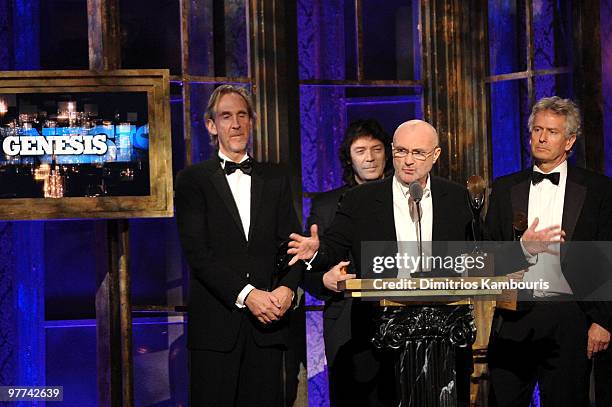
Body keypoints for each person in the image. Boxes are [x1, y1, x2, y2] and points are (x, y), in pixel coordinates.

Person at [289, 119, 474, 406]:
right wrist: (316, 251)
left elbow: (478, 253)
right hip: (378, 340)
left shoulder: (456, 197)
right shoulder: (359, 199)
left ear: (436, 155)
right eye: (401, 151)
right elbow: (335, 245)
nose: (408, 161)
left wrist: (520, 249)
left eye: (418, 153)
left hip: (443, 340)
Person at [175, 84, 303, 406]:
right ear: (211, 125)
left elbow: (291, 245)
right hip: (216, 332)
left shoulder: (275, 178)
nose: (235, 124)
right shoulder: (193, 180)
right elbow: (198, 255)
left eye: (242, 115)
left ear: (252, 122)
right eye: (226, 116)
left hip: (267, 329)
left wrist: (287, 289)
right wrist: (248, 295)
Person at [484, 96, 612, 407]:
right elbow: (487, 255)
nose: (542, 138)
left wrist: (604, 320)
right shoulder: (504, 188)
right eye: (537, 130)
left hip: (571, 315)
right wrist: (522, 250)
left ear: (569, 141)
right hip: (514, 314)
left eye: (552, 132)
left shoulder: (598, 190)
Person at [303, 119, 392, 406]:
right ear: (349, 157)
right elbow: (306, 270)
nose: (369, 158)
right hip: (346, 323)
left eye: (376, 149)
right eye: (361, 150)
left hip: (399, 318)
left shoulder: (406, 199)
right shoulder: (327, 206)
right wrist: (324, 280)